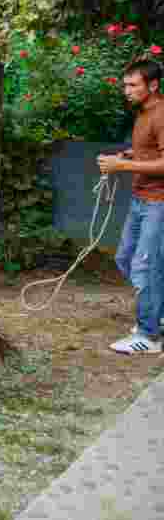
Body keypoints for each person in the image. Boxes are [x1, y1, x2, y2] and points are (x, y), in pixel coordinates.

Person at [98, 59, 164, 355]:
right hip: (141, 200)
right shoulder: (143, 113)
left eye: (133, 85)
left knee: (145, 266)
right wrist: (130, 153)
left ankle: (148, 335)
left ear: (153, 85)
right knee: (126, 258)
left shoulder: (162, 114)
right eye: (125, 85)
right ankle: (157, 313)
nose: (126, 90)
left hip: (158, 203)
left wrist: (122, 164)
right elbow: (150, 151)